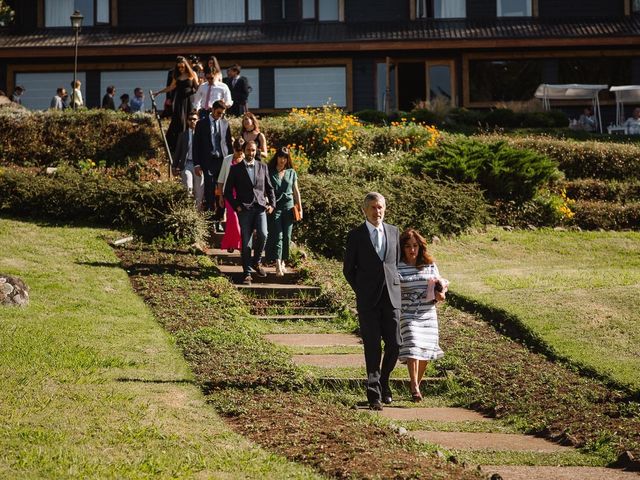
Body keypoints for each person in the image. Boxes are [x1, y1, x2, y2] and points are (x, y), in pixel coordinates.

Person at [343, 192, 402, 411]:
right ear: (365, 210)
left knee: (395, 344)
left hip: (391, 298)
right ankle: (373, 392)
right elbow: (349, 270)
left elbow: (394, 264)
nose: (378, 212)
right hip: (368, 301)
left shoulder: (394, 232)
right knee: (372, 346)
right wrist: (362, 291)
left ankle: (384, 380)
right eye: (373, 208)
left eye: (381, 207)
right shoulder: (356, 236)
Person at [397, 229, 446, 402]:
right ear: (402, 248)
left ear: (420, 247)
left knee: (425, 350)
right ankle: (414, 386)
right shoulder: (397, 265)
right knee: (413, 343)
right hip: (407, 312)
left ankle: (416, 385)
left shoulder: (430, 264)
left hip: (427, 312)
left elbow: (440, 283)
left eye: (415, 246)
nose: (412, 250)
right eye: (408, 246)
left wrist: (441, 293)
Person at [224, 140, 275, 285]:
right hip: (244, 209)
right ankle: (247, 273)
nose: (250, 153)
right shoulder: (236, 169)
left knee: (264, 234)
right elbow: (227, 191)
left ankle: (256, 262)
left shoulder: (263, 167)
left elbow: (269, 188)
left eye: (253, 150)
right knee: (246, 243)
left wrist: (272, 204)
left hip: (260, 207)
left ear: (256, 150)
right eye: (248, 150)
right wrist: (236, 206)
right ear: (244, 150)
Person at [193, 99, 233, 229]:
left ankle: (219, 219)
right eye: (218, 112)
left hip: (222, 160)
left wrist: (232, 161)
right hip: (208, 162)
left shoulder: (225, 124)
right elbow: (196, 145)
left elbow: (228, 144)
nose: (220, 115)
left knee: (222, 191)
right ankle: (211, 221)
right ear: (212, 109)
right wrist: (197, 164)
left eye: (222, 113)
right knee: (210, 191)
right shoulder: (201, 124)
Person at [265, 146, 303, 276]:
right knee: (278, 236)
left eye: (285, 158)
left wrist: (300, 208)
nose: (282, 160)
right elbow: (265, 190)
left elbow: (296, 191)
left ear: (288, 159)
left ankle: (282, 262)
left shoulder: (291, 172)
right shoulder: (269, 171)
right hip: (275, 207)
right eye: (280, 157)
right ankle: (277, 264)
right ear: (277, 157)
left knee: (287, 236)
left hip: (289, 207)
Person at [153, 56, 199, 151]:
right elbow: (171, 87)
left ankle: (190, 143)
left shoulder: (192, 74)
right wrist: (159, 92)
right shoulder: (176, 76)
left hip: (189, 100)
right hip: (179, 101)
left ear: (186, 66)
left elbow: (198, 87)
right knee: (178, 120)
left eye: (182, 67)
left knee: (189, 120)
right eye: (178, 67)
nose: (181, 69)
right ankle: (176, 144)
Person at [217, 138, 245, 253]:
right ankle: (237, 244)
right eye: (238, 150)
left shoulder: (246, 160)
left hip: (243, 195)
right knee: (232, 218)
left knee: (239, 220)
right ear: (233, 149)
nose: (240, 153)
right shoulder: (227, 160)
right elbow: (221, 179)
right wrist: (220, 196)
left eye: (242, 151)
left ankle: (232, 244)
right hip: (229, 194)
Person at [173, 112, 204, 210]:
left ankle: (197, 217)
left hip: (199, 165)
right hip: (186, 164)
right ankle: (188, 213)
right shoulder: (183, 135)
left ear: (198, 120)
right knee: (188, 189)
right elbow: (178, 151)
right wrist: (174, 166)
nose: (192, 121)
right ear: (187, 121)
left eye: (194, 119)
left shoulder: (202, 135)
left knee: (199, 193)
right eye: (190, 119)